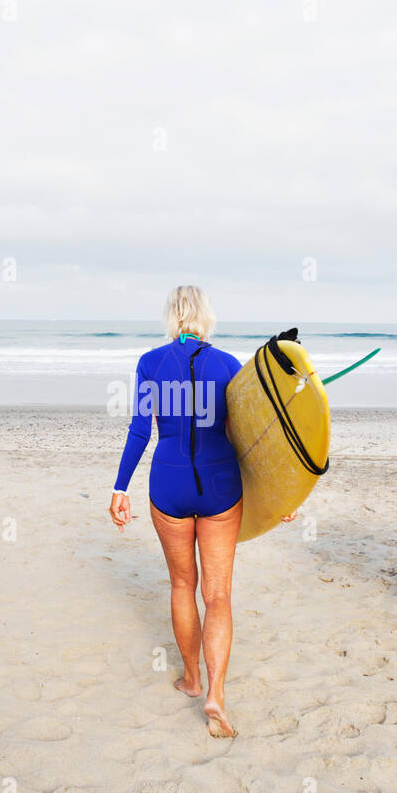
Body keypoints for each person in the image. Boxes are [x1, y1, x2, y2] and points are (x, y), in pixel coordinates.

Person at [108, 286, 293, 738]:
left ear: (172, 317)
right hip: (219, 487)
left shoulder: (150, 363)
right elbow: (253, 438)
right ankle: (217, 694)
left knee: (181, 584)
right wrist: (280, 494)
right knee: (219, 596)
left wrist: (119, 486)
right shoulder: (230, 367)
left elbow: (139, 430)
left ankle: (191, 679)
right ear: (206, 317)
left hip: (168, 485)